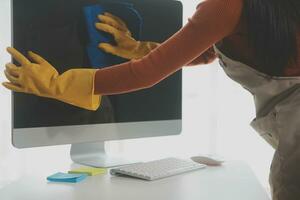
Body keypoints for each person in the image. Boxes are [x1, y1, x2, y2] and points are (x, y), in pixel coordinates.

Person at [3, 0, 300, 199]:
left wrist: (58, 83)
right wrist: (139, 47)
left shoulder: (224, 6)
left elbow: (147, 73)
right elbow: (210, 50)